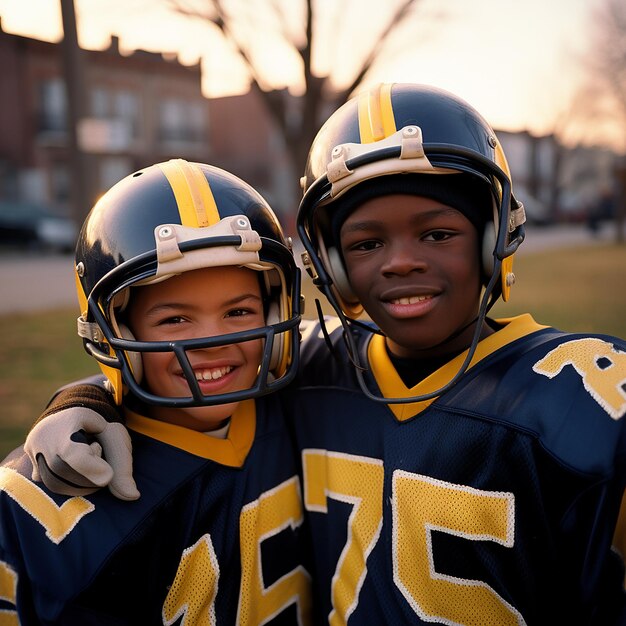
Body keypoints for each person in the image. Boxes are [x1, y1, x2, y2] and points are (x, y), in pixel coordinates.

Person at [12, 84, 626, 625]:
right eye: (366, 242)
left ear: (496, 236)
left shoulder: (585, 399)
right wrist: (87, 398)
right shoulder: (311, 364)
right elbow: (189, 365)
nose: (403, 259)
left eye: (438, 232)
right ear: (329, 264)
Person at [0, 158, 312, 623]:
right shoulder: (40, 504)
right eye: (176, 319)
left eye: (239, 312)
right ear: (113, 329)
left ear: (276, 312)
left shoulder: (302, 394)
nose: (214, 342)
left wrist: (84, 394)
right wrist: (88, 395)